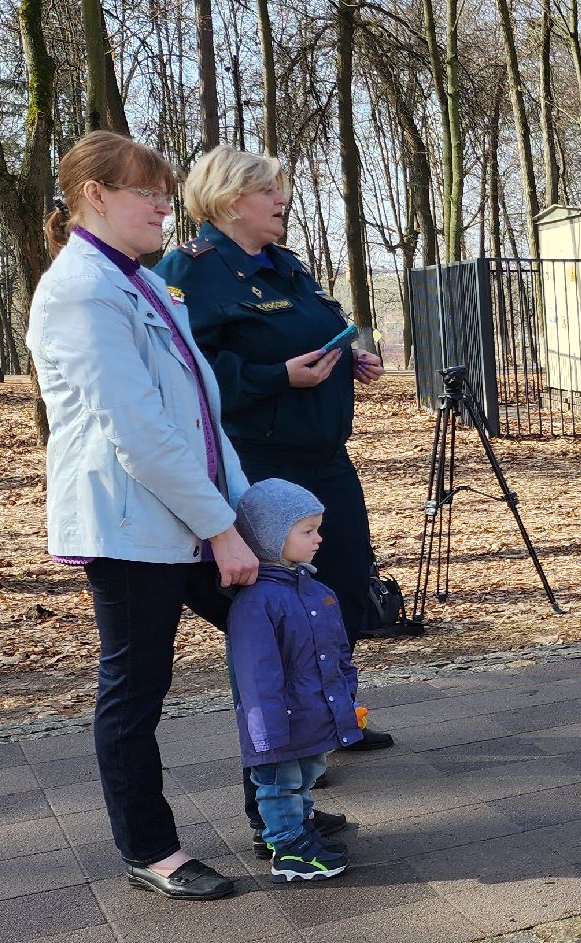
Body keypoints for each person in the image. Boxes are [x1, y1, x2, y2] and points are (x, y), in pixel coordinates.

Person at [30, 132, 254, 902]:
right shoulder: (80, 291)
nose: (166, 206)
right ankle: (150, 850)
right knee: (136, 687)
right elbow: (137, 430)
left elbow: (201, 414)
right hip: (131, 527)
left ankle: (280, 809)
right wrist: (221, 527)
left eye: (165, 193)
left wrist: (241, 512)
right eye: (146, 193)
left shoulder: (149, 283)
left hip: (193, 513)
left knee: (273, 634)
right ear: (95, 196)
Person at [157, 150, 401, 648]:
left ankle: (335, 718)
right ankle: (286, 720)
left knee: (345, 588)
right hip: (261, 462)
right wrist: (276, 378)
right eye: (267, 190)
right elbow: (184, 374)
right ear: (228, 200)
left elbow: (306, 335)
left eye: (280, 189)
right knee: (280, 600)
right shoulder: (187, 270)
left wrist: (347, 362)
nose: (282, 199)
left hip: (328, 460)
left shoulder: (286, 264)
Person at [226, 479, 365, 882]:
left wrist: (344, 695)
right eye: (307, 531)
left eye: (317, 529)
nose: (318, 539)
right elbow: (257, 674)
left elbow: (336, 652)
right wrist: (267, 731)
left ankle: (301, 832)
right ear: (270, 537)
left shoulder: (314, 590)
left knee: (304, 779)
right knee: (279, 784)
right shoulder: (257, 601)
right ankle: (288, 848)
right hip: (281, 721)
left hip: (311, 713)